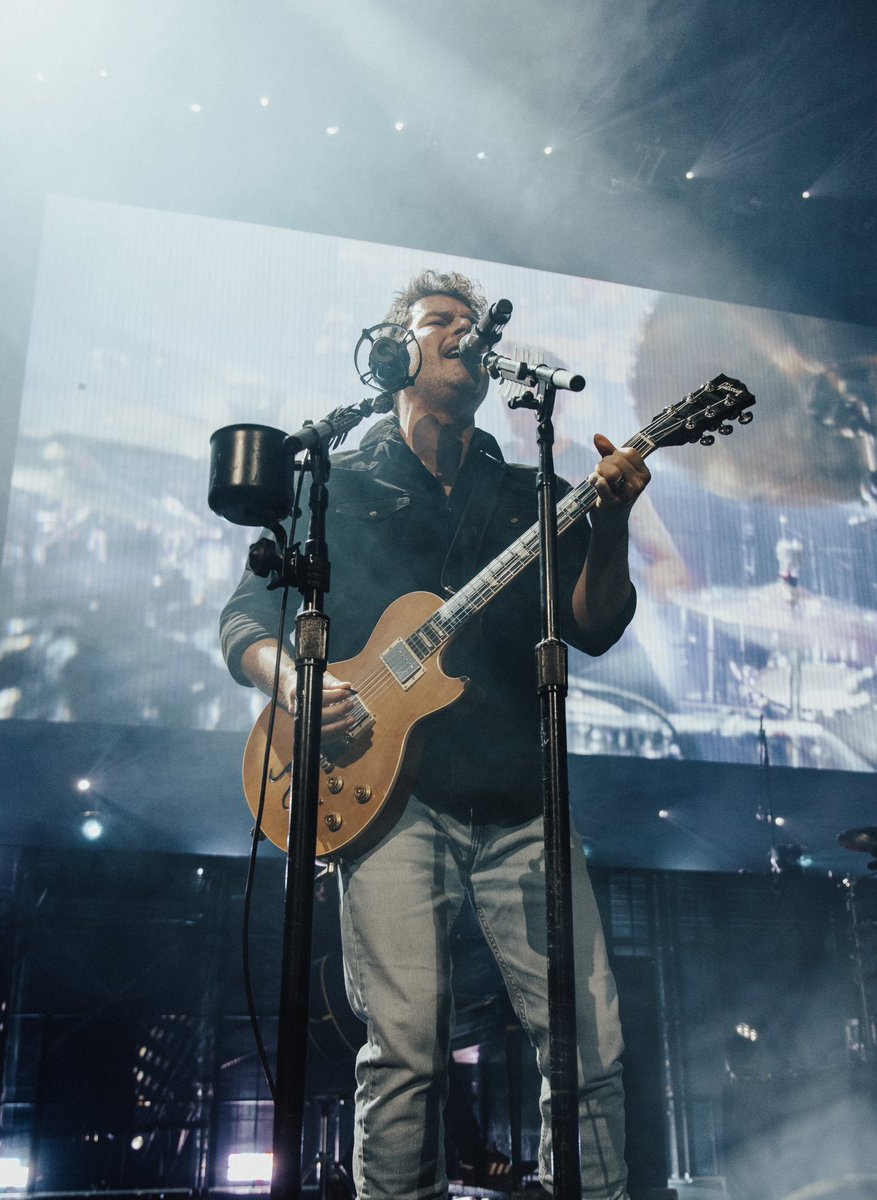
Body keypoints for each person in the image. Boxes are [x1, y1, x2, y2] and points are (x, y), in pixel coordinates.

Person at [220, 270, 647, 1199]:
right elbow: (245, 622)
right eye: (437, 322)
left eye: (471, 324)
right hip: (389, 805)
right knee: (406, 1055)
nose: (462, 334)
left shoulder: (527, 488)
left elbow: (596, 623)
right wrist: (299, 685)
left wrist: (611, 523)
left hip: (526, 800)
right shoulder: (340, 477)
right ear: (394, 352)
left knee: (590, 1049)